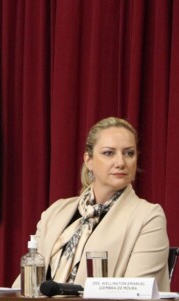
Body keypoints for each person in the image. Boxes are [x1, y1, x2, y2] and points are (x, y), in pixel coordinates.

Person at [18, 116, 169, 291]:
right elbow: (24, 286)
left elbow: (138, 297)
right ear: (88, 160)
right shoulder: (55, 212)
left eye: (129, 153)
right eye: (108, 153)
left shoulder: (148, 217)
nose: (121, 162)